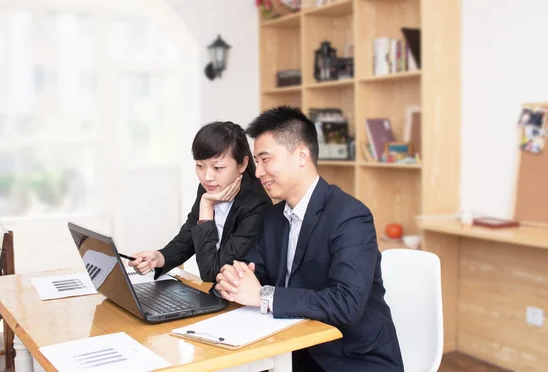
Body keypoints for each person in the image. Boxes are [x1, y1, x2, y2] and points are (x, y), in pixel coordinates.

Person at [214, 106, 404, 372]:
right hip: (296, 348)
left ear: (301, 155)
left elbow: (346, 304)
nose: (258, 173)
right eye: (257, 162)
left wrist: (263, 296)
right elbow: (255, 267)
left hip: (352, 358)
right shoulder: (275, 216)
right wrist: (234, 277)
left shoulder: (350, 216)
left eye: (266, 159)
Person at [128, 121, 272, 282]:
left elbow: (212, 272)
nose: (207, 177)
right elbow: (188, 236)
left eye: (218, 168)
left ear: (243, 164)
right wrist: (159, 257)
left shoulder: (257, 206)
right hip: (219, 294)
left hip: (244, 300)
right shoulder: (209, 189)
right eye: (200, 166)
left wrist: (206, 207)